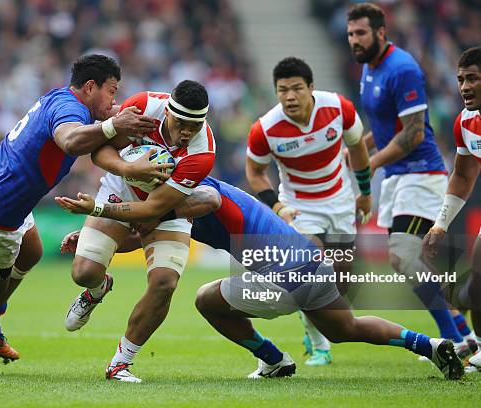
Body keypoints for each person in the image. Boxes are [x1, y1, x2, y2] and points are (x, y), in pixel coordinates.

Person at [61, 176, 465, 381]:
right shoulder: (183, 196)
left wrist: (110, 217)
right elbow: (144, 231)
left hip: (282, 275)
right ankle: (430, 344)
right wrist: (99, 243)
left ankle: (272, 360)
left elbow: (196, 205)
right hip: (309, 265)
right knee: (346, 327)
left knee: (206, 299)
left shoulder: (197, 194)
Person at [0, 54, 168, 375]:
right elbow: (71, 140)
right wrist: (115, 123)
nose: (114, 99)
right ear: (90, 86)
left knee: (31, 250)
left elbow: (102, 120)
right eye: (112, 91)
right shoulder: (70, 110)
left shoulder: (66, 99)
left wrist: (130, 116)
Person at [55, 80, 215, 382]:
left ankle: (120, 363)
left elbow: (154, 210)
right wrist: (129, 169)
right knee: (83, 272)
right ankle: (97, 288)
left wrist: (97, 211)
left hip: (166, 204)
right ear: (167, 110)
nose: (186, 133)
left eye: (194, 127)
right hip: (121, 188)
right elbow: (100, 151)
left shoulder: (202, 152)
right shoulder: (142, 108)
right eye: (181, 123)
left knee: (165, 283)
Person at [346, 2, 471, 356]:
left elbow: (414, 133)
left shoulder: (402, 68)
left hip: (422, 175)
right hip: (398, 180)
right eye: (351, 34)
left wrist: (369, 163)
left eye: (361, 33)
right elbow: (387, 127)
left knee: (404, 256)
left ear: (380, 33)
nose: (355, 40)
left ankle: (459, 339)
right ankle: (463, 332)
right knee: (412, 262)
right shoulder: (369, 69)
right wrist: (355, 146)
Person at [245, 57, 372, 365]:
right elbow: (254, 171)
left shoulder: (339, 108)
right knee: (310, 273)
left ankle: (314, 328)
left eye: (297, 89)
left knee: (341, 285)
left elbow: (356, 147)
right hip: (299, 208)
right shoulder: (265, 128)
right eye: (282, 90)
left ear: (311, 88)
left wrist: (365, 192)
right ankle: (319, 346)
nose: (290, 96)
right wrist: (278, 206)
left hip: (340, 202)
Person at [423, 46, 481, 373]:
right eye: (461, 79)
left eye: (472, 78)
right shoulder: (466, 123)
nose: (464, 86)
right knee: (476, 284)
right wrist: (440, 225)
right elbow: (462, 174)